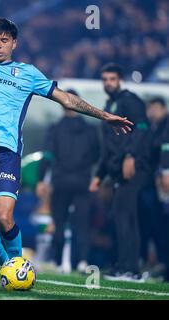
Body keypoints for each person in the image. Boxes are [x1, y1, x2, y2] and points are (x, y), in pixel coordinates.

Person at [0, 18, 132, 266]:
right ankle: (6, 265)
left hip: (6, 153)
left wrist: (105, 115)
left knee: (3, 216)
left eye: (4, 40)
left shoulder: (28, 74)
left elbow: (66, 99)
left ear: (14, 43)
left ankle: (19, 266)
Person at [89, 63, 151, 282]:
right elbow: (108, 148)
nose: (108, 83)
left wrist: (130, 156)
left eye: (112, 79)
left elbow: (142, 128)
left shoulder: (130, 100)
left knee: (125, 216)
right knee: (121, 217)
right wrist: (99, 175)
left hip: (133, 168)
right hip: (117, 171)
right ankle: (124, 265)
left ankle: (131, 269)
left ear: (120, 79)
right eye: (105, 79)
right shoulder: (109, 104)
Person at [37, 89, 100, 273]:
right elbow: (97, 154)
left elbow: (47, 155)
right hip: (82, 181)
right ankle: (82, 261)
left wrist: (42, 179)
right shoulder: (90, 129)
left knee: (59, 222)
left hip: (61, 181)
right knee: (82, 223)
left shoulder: (55, 129)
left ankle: (58, 262)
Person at [138, 97, 169, 272]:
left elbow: (165, 147)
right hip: (155, 182)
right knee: (156, 222)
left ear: (163, 108)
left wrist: (165, 171)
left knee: (162, 223)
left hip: (163, 181)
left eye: (154, 109)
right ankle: (161, 263)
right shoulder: (154, 127)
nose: (151, 113)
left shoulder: (166, 125)